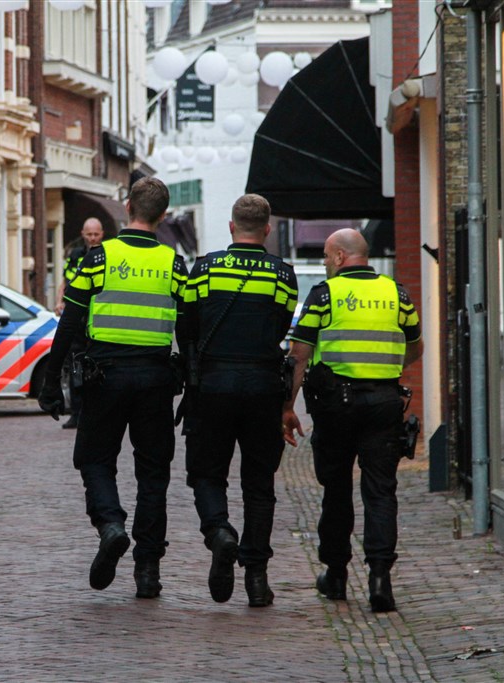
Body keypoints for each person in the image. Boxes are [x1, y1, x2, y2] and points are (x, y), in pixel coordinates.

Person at [38, 178, 188, 599]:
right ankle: (148, 570)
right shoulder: (173, 263)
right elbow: (190, 326)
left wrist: (52, 380)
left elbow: (71, 319)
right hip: (156, 380)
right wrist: (191, 379)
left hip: (105, 379)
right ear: (162, 215)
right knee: (153, 473)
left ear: (127, 208)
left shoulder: (100, 256)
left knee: (95, 459)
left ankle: (110, 525)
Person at [282, 228, 422, 613]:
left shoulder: (324, 296)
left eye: (327, 257)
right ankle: (381, 579)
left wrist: (287, 407)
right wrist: (389, 369)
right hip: (384, 403)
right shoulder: (397, 293)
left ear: (341, 257)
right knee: (381, 491)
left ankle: (337, 575)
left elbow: (299, 355)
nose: (326, 263)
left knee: (337, 490)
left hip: (335, 405)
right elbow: (415, 345)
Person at [180, 194, 299, 607]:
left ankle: (219, 533)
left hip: (212, 385)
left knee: (207, 474)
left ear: (232, 226)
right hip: (263, 387)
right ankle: (257, 578)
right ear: (266, 229)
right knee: (259, 485)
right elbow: (283, 324)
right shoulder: (283, 275)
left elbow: (188, 324)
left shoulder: (206, 269)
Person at [54, 218, 105, 430]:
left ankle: (96, 412)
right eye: (89, 234)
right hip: (77, 319)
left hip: (97, 321)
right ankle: (76, 413)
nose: (92, 238)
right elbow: (65, 282)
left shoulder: (107, 254)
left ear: (102, 234)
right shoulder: (75, 255)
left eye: (96, 234)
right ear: (83, 233)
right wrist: (59, 301)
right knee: (75, 366)